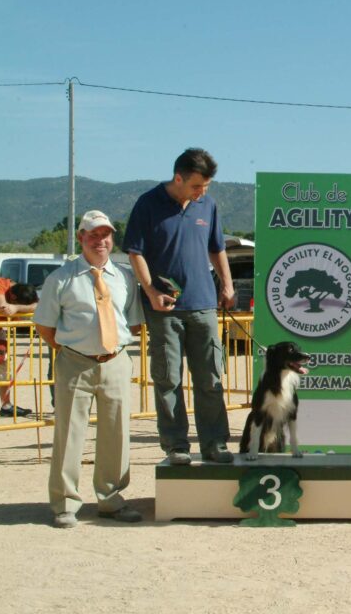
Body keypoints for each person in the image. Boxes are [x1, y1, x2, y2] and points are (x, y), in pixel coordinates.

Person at [123, 148, 235, 465]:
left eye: (206, 187)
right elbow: (135, 251)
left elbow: (217, 248)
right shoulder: (148, 203)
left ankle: (215, 443)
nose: (202, 192)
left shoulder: (208, 205)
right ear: (178, 178)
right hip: (164, 309)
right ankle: (176, 446)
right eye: (197, 186)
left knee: (211, 377)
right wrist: (150, 290)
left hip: (203, 305)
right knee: (168, 378)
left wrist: (226, 284)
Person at [34, 210, 144, 527]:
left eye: (105, 235)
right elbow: (45, 326)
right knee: (69, 433)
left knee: (117, 434)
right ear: (81, 237)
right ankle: (65, 504)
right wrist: (72, 349)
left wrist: (110, 349)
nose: (100, 241)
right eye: (93, 235)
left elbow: (133, 324)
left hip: (116, 362)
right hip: (74, 363)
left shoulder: (125, 277)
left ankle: (111, 500)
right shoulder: (61, 279)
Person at [0, 278, 39, 418]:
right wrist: (16, 309)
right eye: (16, 303)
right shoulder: (0, 283)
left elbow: (39, 306)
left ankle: (6, 406)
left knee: (3, 370)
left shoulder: (17, 297)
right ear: (13, 297)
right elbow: (1, 307)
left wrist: (17, 308)